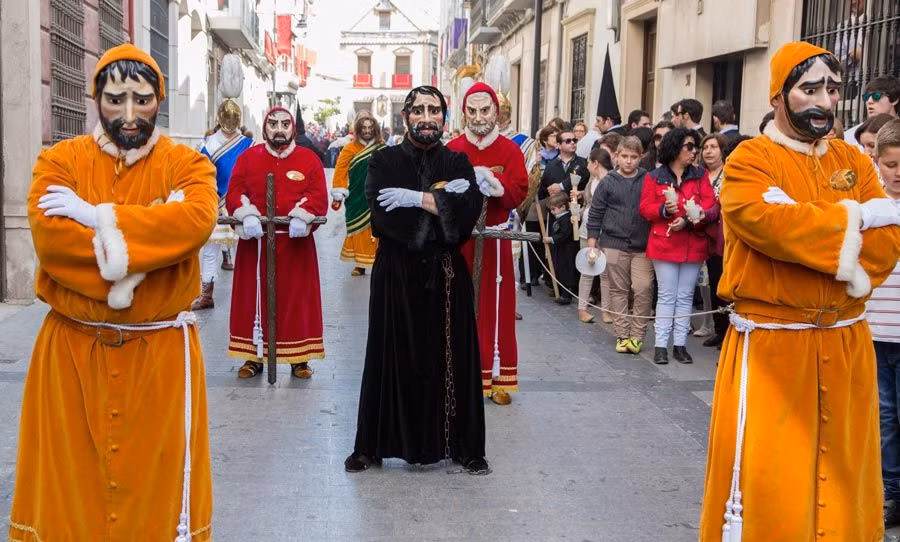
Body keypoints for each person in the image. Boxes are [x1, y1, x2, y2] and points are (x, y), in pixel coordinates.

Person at [10, 44, 218, 541]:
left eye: (142, 100)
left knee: (158, 487)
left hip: (160, 356)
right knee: (69, 487)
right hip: (71, 357)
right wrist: (148, 248)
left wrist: (95, 216)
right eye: (115, 99)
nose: (128, 114)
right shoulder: (57, 163)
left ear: (158, 99)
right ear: (95, 98)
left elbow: (195, 220)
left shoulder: (189, 166)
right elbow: (53, 244)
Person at [699, 42, 900, 541]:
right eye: (809, 89)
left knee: (847, 476)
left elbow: (889, 238)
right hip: (773, 349)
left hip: (847, 345)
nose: (825, 101)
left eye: (833, 89)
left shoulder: (855, 157)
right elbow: (765, 222)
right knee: (772, 483)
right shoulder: (749, 160)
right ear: (779, 96)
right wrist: (856, 216)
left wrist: (817, 231)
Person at [345, 85, 488, 474]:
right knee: (387, 355)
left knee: (454, 357)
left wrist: (416, 198)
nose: (427, 118)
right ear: (406, 116)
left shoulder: (458, 162)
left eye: (435, 110)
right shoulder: (383, 162)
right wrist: (441, 203)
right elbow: (382, 217)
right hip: (396, 273)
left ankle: (465, 447)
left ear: (444, 117)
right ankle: (372, 446)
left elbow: (466, 217)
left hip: (445, 274)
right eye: (419, 110)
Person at [226, 106, 328, 380]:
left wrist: (303, 217)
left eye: (285, 124)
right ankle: (253, 356)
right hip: (256, 245)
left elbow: (318, 195)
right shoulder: (248, 158)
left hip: (296, 246)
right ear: (265, 128)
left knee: (297, 301)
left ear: (293, 128)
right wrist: (245, 213)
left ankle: (299, 358)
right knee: (253, 299)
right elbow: (234, 190)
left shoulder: (309, 160)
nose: (279, 129)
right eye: (273, 124)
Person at [447, 82, 529, 405]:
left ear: (496, 111)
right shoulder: (452, 148)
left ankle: (497, 377)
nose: (479, 117)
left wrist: (497, 185)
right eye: (473, 111)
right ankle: (456, 375)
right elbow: (440, 188)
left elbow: (520, 190)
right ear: (464, 112)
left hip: (495, 241)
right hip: (459, 240)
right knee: (456, 304)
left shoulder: (510, 151)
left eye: (485, 110)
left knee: (497, 307)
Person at [639, 128, 716, 364]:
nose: (695, 152)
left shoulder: (700, 175)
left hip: (692, 242)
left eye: (695, 147)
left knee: (685, 296)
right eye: (689, 146)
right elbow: (645, 207)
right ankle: (661, 345)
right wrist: (663, 210)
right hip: (665, 243)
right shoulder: (654, 177)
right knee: (666, 295)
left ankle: (680, 344)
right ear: (675, 148)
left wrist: (695, 217)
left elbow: (711, 205)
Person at [193, 55, 253, 310]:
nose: (229, 122)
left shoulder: (249, 144)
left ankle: (252, 297)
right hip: (215, 203)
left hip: (243, 204)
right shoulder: (206, 145)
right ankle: (207, 293)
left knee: (250, 251)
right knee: (209, 251)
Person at [587, 136, 654, 354]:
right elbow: (596, 213)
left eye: (634, 157)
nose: (628, 161)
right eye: (624, 156)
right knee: (618, 289)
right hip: (613, 242)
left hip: (642, 245)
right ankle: (622, 334)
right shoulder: (608, 181)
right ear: (617, 156)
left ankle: (637, 334)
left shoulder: (647, 179)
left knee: (643, 287)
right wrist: (592, 244)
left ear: (641, 157)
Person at [868, 118, 900, 528]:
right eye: (891, 163)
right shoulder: (871, 205)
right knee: (885, 417)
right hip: (874, 329)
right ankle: (891, 491)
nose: (898, 172)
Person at [332, 111, 385, 276]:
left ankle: (380, 262)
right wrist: (339, 191)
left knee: (380, 229)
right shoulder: (349, 148)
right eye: (364, 127)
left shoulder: (382, 148)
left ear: (375, 129)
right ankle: (360, 264)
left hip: (377, 195)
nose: (367, 131)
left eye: (370, 128)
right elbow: (340, 170)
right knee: (358, 230)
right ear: (358, 129)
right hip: (356, 196)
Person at [697, 133, 727, 348]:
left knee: (723, 284)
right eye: (705, 147)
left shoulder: (729, 174)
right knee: (709, 286)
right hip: (702, 235)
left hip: (723, 237)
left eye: (713, 147)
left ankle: (728, 331)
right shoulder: (699, 175)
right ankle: (718, 328)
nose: (708, 151)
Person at [577, 147, 613, 323]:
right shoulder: (592, 181)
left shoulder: (611, 180)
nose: (587, 166)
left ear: (596, 163)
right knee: (588, 269)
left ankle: (606, 310)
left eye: (588, 162)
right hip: (587, 228)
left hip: (605, 230)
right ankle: (582, 308)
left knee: (605, 272)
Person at [543, 192, 579, 305]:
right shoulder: (559, 217)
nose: (552, 212)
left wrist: (552, 239)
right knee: (559, 270)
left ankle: (566, 295)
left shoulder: (567, 219)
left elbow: (564, 234)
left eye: (554, 209)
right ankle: (559, 290)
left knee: (566, 272)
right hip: (560, 250)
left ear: (563, 207)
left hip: (566, 250)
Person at [845, 75, 900, 147]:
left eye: (876, 96)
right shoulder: (850, 137)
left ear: (894, 99)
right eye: (866, 97)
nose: (869, 101)